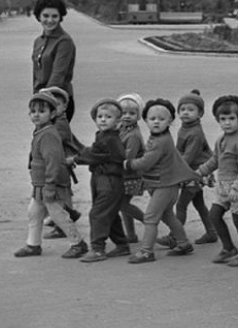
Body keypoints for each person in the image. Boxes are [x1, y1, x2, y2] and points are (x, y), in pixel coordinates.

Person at [14, 92, 88, 259]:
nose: (36, 115)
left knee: (57, 214)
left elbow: (53, 162)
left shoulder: (48, 134)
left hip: (49, 184)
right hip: (40, 184)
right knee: (34, 213)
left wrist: (50, 185)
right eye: (33, 111)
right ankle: (33, 245)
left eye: (41, 111)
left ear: (52, 114)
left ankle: (78, 243)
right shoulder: (42, 131)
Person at [125, 98, 198, 265]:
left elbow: (146, 162)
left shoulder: (160, 141)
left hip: (164, 186)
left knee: (150, 218)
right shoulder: (162, 136)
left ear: (170, 121)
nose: (156, 122)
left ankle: (146, 251)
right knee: (168, 215)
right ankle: (183, 243)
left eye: (161, 119)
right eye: (152, 119)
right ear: (145, 120)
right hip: (166, 186)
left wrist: (128, 163)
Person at [195, 96, 238, 267]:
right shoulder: (221, 139)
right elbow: (215, 160)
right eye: (223, 119)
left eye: (232, 119)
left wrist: (237, 188)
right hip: (222, 187)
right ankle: (228, 248)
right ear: (218, 120)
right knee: (214, 216)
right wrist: (200, 172)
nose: (227, 123)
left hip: (237, 188)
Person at [67, 98, 130, 263]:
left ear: (117, 121)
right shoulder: (103, 136)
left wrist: (75, 159)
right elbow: (93, 152)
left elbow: (94, 154)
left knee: (98, 214)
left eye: (108, 117)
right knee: (110, 213)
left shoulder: (110, 139)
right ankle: (122, 245)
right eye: (100, 116)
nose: (103, 119)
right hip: (102, 179)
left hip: (109, 181)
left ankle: (97, 248)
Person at [167, 89, 218, 245]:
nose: (185, 113)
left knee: (181, 204)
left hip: (197, 171)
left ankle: (175, 236)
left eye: (190, 110)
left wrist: (173, 170)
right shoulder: (185, 127)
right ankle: (212, 232)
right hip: (191, 170)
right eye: (182, 110)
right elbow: (179, 150)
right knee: (199, 203)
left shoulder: (195, 132)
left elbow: (189, 156)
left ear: (200, 113)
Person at [37, 85, 84, 237]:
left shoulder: (59, 123)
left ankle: (64, 222)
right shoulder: (53, 122)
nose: (55, 108)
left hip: (61, 163)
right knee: (62, 192)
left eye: (58, 104)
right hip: (60, 162)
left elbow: (56, 141)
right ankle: (67, 214)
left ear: (65, 107)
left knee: (61, 193)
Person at [32, 0, 77, 121]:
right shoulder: (38, 41)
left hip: (58, 103)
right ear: (39, 16)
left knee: (54, 140)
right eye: (46, 16)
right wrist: (35, 99)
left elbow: (58, 75)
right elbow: (36, 74)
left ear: (60, 17)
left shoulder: (64, 41)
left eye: (54, 16)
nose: (50, 20)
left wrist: (46, 101)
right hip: (41, 103)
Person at [117, 93, 147, 243]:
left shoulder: (133, 135)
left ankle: (148, 222)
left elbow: (128, 157)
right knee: (124, 205)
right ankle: (131, 235)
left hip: (131, 175)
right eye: (123, 113)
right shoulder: (122, 128)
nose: (127, 116)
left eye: (132, 113)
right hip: (124, 174)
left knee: (122, 204)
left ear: (138, 115)